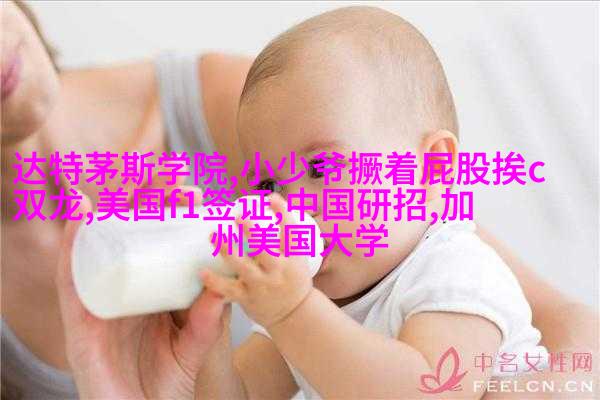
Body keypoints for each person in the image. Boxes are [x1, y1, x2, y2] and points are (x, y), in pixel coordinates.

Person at [1, 1, 596, 399]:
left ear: (431, 170)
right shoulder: (313, 304)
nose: (290, 207)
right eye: (266, 186)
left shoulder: (455, 274)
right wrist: (208, 336)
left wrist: (292, 314)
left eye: (322, 168)